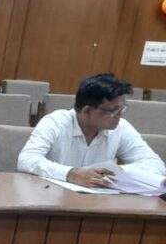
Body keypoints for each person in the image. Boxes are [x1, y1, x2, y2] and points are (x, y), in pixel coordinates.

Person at [18, 73, 165, 187]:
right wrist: (70, 174)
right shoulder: (55, 122)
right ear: (87, 111)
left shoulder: (121, 128)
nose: (120, 116)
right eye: (115, 111)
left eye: (122, 109)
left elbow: (156, 165)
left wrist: (118, 172)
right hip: (52, 197)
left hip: (100, 201)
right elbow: (27, 159)